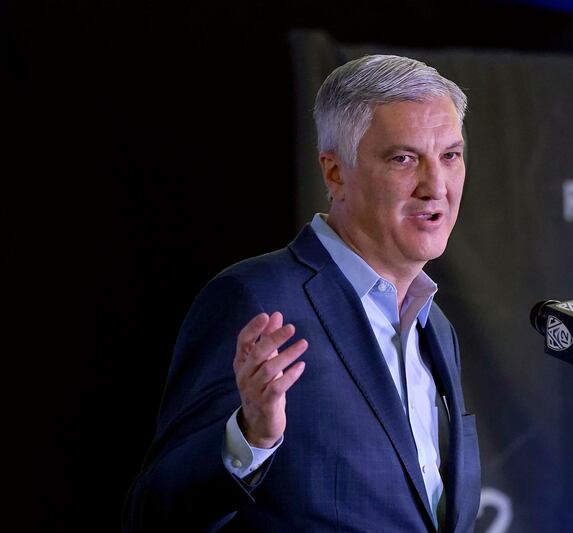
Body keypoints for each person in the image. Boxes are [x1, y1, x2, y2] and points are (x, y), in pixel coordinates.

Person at [123, 54, 481, 532]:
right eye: (403, 159)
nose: (435, 186)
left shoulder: (435, 326)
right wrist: (249, 439)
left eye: (450, 156)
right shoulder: (255, 300)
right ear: (335, 173)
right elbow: (153, 516)